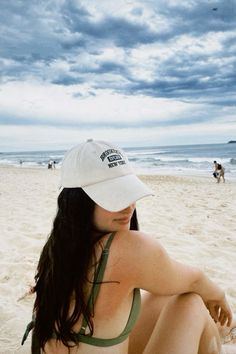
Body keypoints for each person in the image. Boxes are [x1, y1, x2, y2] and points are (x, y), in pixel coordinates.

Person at [22, 139, 235, 354]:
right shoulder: (128, 249)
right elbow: (196, 280)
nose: (129, 206)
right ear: (79, 201)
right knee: (192, 304)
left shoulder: (57, 250)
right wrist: (218, 295)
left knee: (169, 295)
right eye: (114, 196)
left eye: (128, 192)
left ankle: (220, 335)